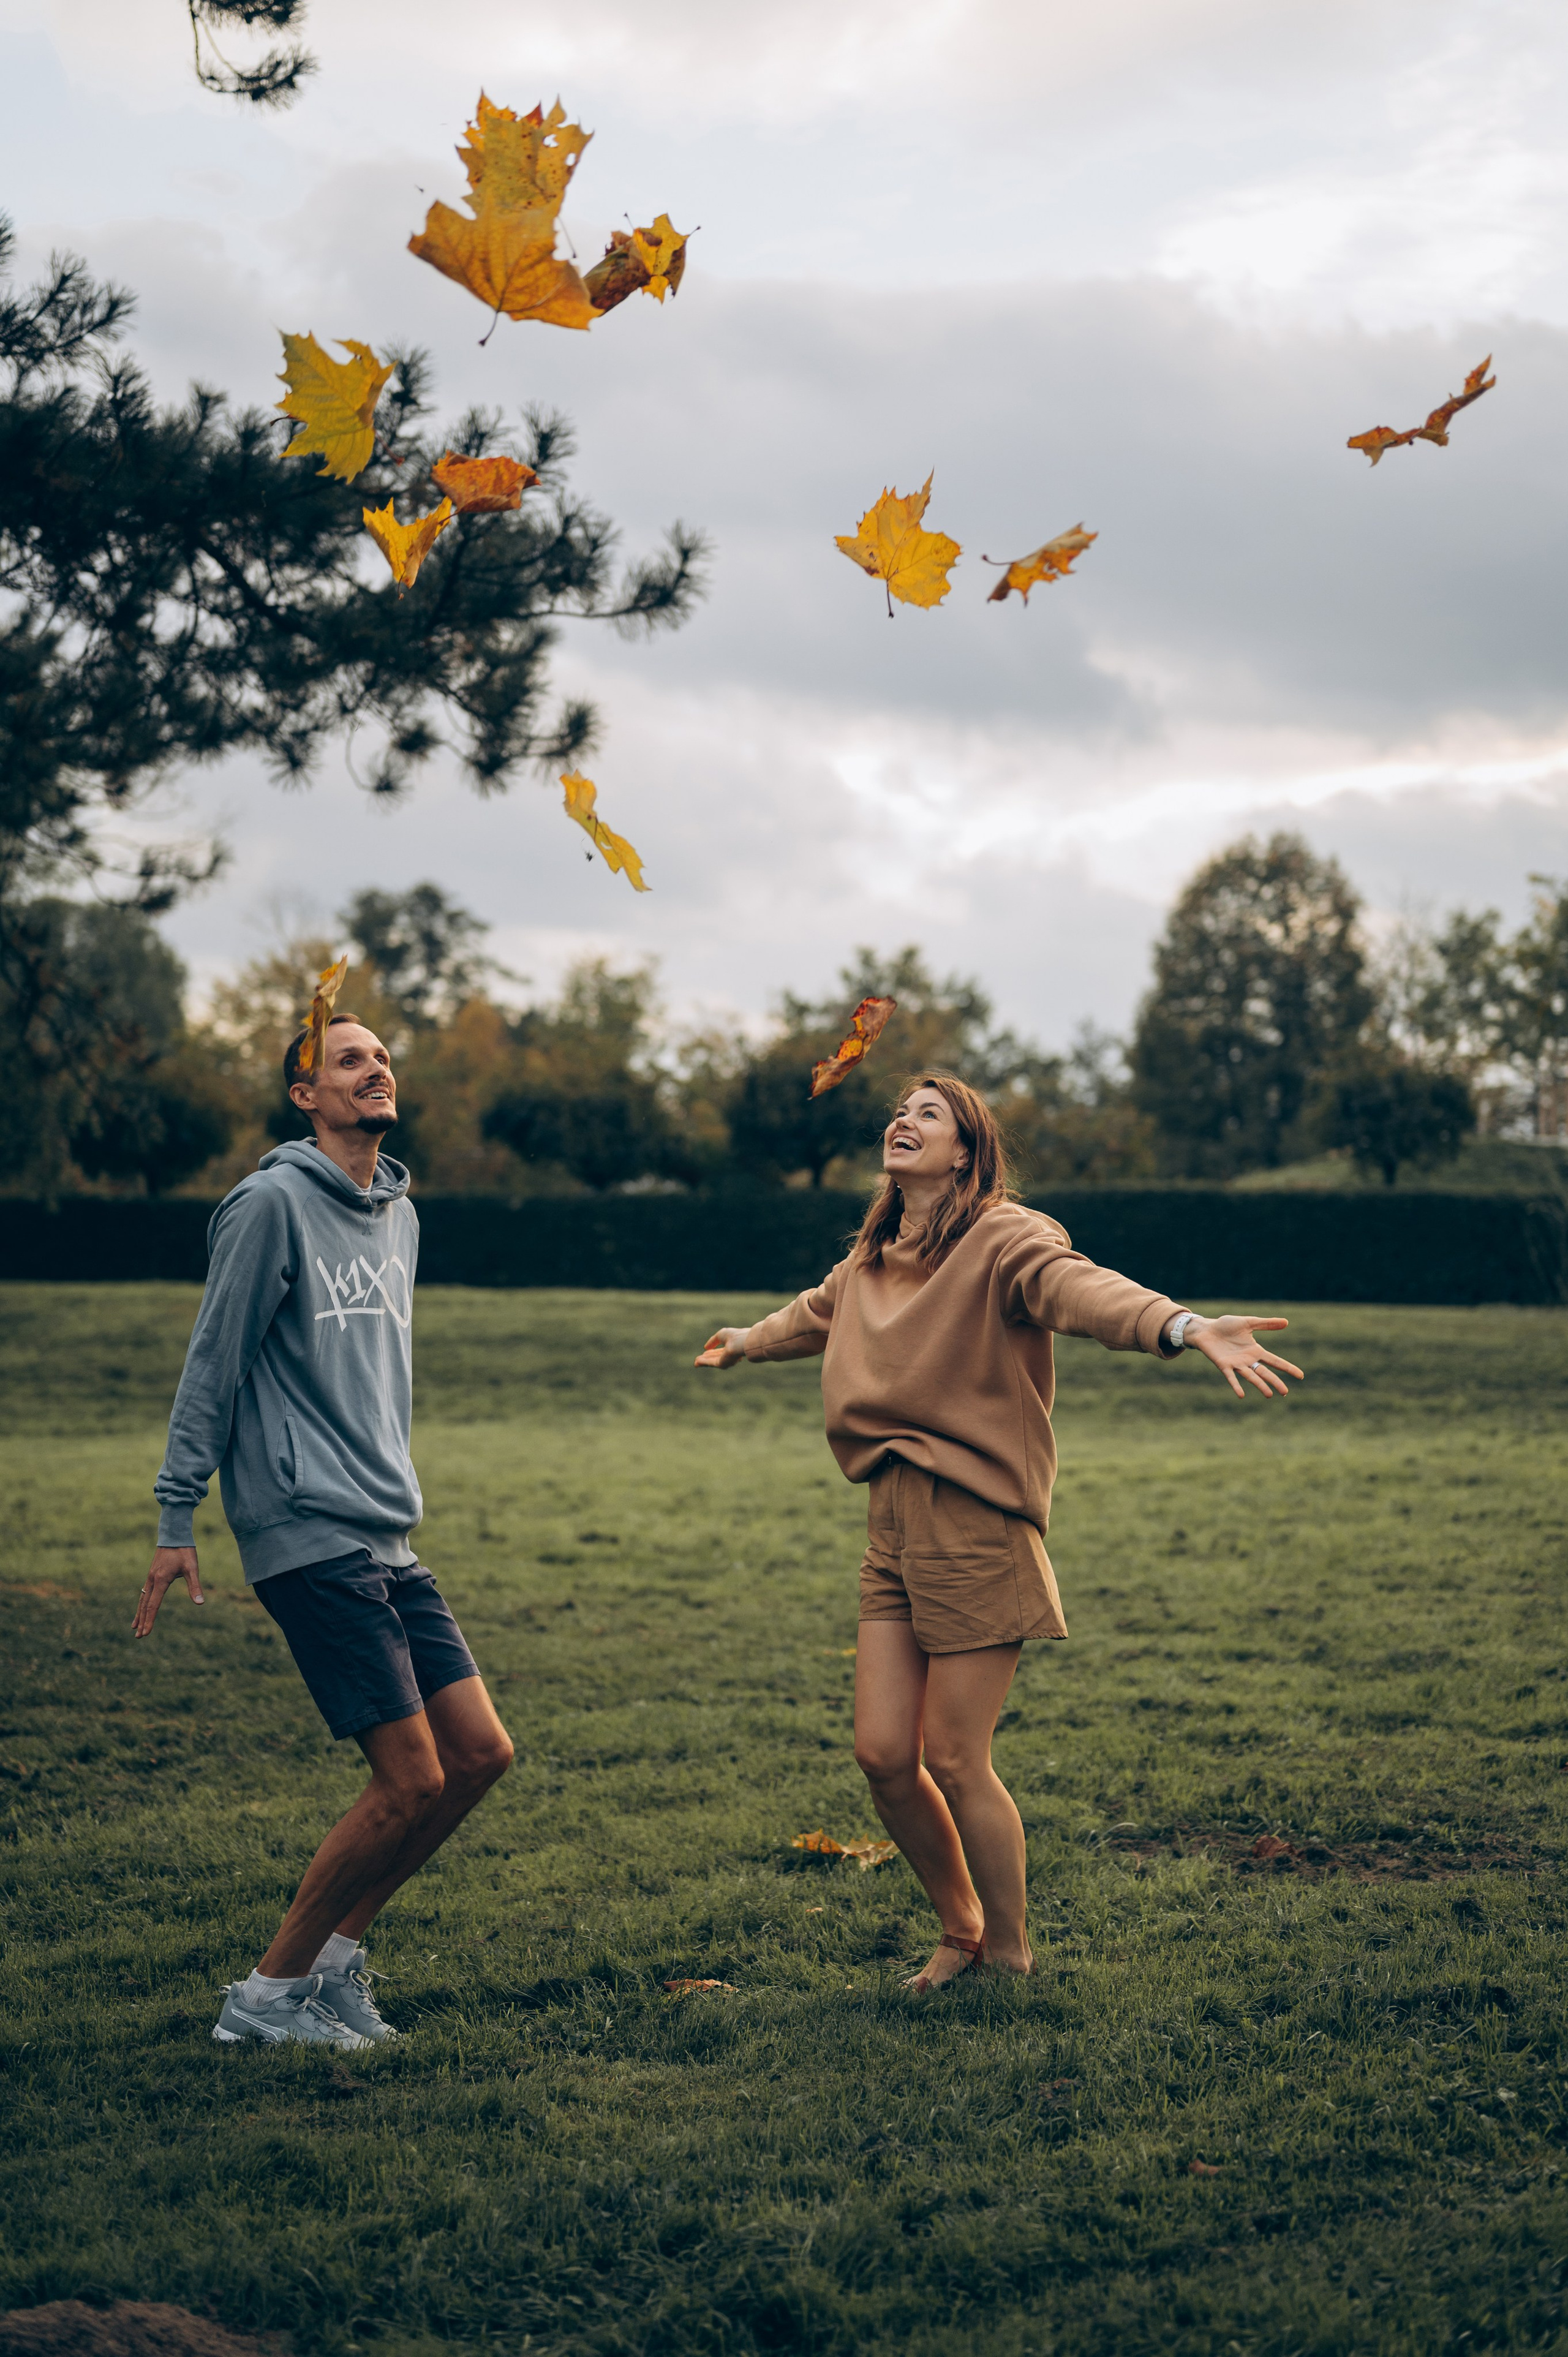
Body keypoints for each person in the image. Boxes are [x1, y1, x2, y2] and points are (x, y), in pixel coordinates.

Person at [696, 1072, 1302, 1992]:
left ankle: (1010, 1953)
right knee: (882, 1756)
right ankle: (961, 1928)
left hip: (976, 1523)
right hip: (891, 1522)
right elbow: (814, 1316)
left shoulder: (1004, 1238)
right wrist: (743, 1341)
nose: (904, 1119)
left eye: (928, 1114)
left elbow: (1081, 1292)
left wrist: (1179, 1326)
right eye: (900, 1109)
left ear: (967, 1153)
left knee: (953, 1755)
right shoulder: (872, 1261)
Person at [137, 1010, 513, 2050]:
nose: (374, 1069)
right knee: (410, 1778)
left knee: (478, 1754)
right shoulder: (267, 1206)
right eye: (349, 1059)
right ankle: (265, 1997)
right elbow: (213, 1363)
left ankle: (334, 1964)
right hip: (305, 1526)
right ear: (306, 1096)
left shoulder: (401, 1214)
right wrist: (179, 1513)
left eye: (381, 1057)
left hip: (388, 1528)